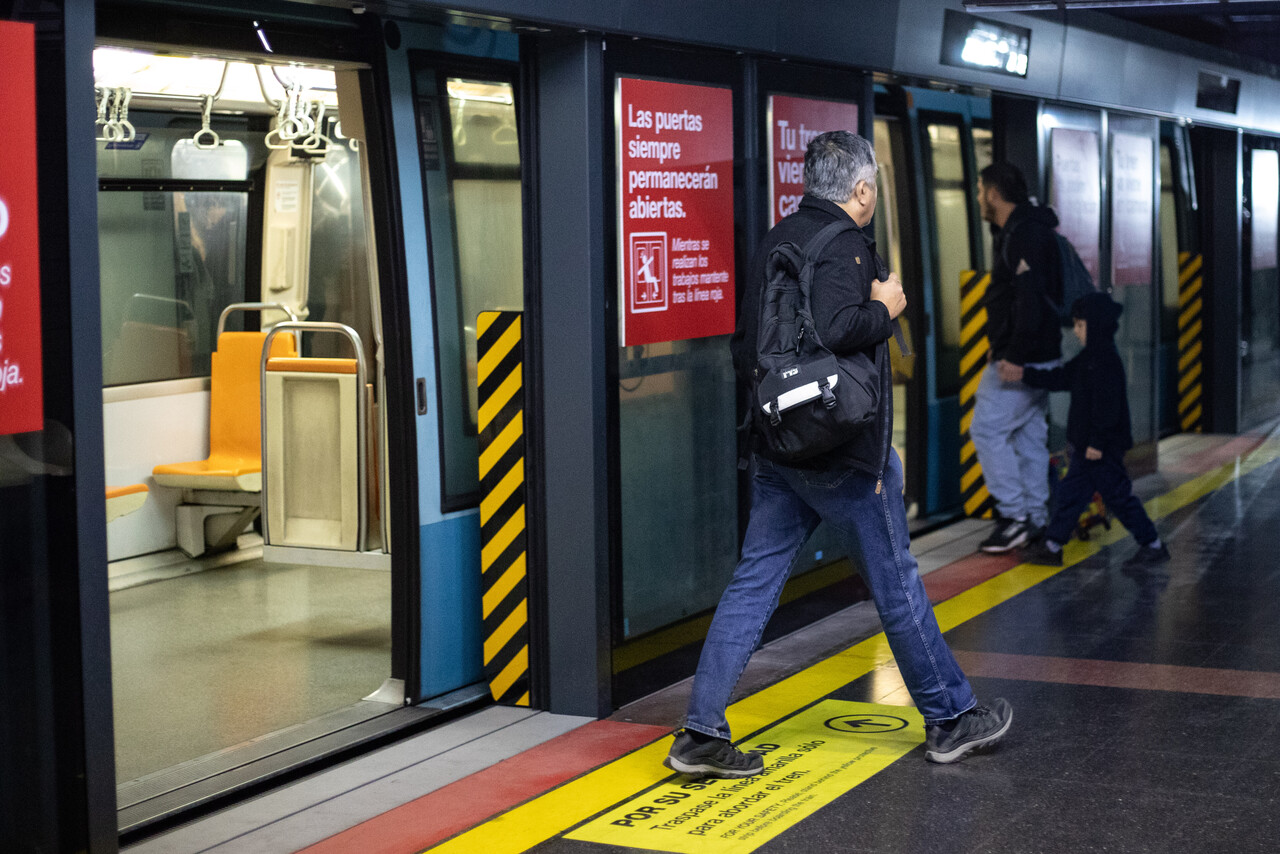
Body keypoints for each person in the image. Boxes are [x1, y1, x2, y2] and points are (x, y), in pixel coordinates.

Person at [664, 132, 1012, 779]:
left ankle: (701, 732)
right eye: (872, 186)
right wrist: (886, 307)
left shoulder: (779, 239)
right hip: (845, 460)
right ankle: (951, 718)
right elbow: (839, 328)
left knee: (753, 585)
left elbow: (749, 348)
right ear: (859, 191)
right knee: (897, 584)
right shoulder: (847, 245)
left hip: (780, 453)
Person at [1001, 292, 1170, 569]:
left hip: (1101, 449)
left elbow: (1108, 407)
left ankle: (1152, 545)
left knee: (1117, 497)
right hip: (1087, 447)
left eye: (1081, 325)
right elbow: (1060, 378)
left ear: (1097, 326)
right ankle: (1052, 546)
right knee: (1073, 496)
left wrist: (1097, 443)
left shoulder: (1106, 362)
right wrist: (1023, 373)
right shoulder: (1088, 359)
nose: (1077, 331)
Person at [972, 162, 1064, 554]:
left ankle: (1013, 518)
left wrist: (1014, 354)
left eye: (980, 191)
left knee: (987, 429)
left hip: (1024, 359)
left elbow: (1028, 299)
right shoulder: (1025, 230)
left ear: (993, 193)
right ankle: (1037, 520)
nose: (978, 198)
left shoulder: (1023, 235)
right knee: (1028, 437)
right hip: (1037, 354)